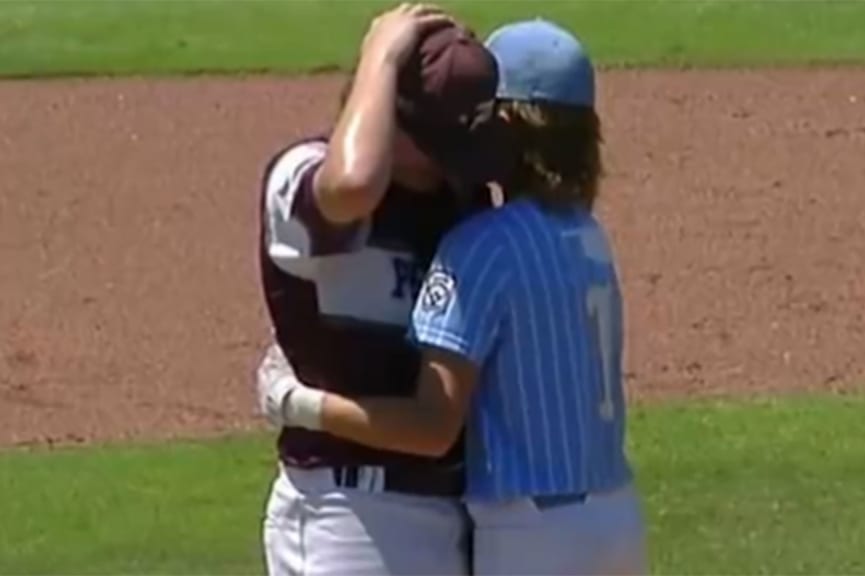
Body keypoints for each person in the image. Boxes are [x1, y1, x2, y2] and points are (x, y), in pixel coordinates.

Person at [269, 18, 649, 575]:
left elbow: (432, 424)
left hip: (530, 531)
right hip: (615, 516)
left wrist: (297, 403)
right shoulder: (588, 237)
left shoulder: (484, 240)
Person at [254, 3, 505, 575]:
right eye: (437, 146)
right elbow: (353, 183)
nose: (451, 166)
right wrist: (383, 55)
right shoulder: (300, 177)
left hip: (452, 513)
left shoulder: (458, 202)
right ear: (390, 114)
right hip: (348, 516)